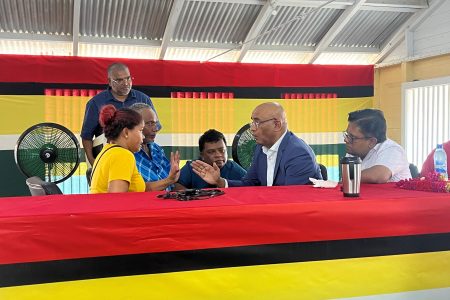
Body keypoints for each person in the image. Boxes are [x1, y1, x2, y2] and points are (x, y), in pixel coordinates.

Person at [191, 102, 322, 187]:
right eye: (252, 122)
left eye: (257, 123)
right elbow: (250, 183)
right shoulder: (260, 147)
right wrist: (219, 181)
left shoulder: (298, 153)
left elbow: (291, 201)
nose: (252, 128)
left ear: (277, 124)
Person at [81, 62, 159, 166]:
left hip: (141, 160)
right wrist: (93, 163)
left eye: (128, 78)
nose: (126, 83)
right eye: (119, 80)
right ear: (109, 81)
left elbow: (154, 127)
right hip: (110, 158)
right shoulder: (95, 103)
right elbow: (86, 136)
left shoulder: (144, 99)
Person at [90, 105, 179, 194]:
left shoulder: (109, 151)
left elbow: (142, 188)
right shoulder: (123, 155)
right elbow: (116, 199)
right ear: (126, 132)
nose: (143, 136)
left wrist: (170, 180)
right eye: (140, 131)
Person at [343, 108, 411, 183]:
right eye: (347, 135)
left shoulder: (393, 149)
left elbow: (379, 176)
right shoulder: (353, 153)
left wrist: (347, 178)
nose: (346, 140)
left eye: (352, 137)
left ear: (371, 142)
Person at [130, 103, 180, 191]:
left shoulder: (156, 149)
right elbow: (140, 189)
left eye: (155, 123)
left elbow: (172, 182)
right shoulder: (127, 154)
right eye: (149, 124)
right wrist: (169, 180)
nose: (155, 129)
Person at [174, 129, 247, 190]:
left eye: (222, 150)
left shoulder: (234, 168)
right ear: (202, 155)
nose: (218, 155)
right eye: (211, 152)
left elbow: (251, 185)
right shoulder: (192, 167)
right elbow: (177, 187)